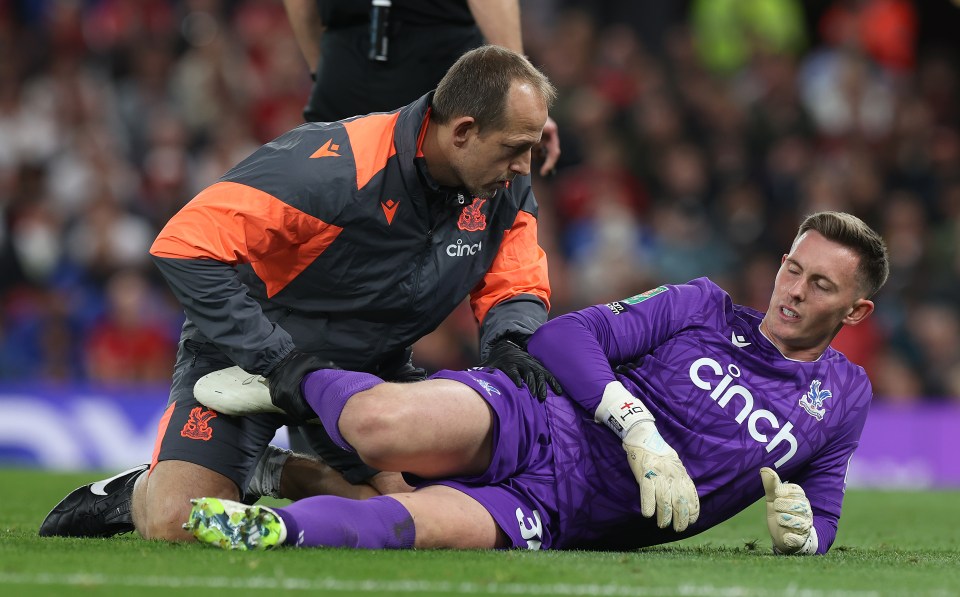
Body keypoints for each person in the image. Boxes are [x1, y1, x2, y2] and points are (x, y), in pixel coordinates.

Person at [38, 45, 561, 541]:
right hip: (244, 361)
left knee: (416, 514)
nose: (523, 167)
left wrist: (513, 340)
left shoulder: (502, 186)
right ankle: (135, 491)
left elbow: (514, 282)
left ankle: (277, 472)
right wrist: (277, 359)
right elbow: (184, 243)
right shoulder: (333, 167)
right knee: (179, 522)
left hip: (364, 374)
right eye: (515, 150)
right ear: (464, 131)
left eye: (530, 150)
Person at [185, 211, 889, 554]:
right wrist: (635, 424)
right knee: (380, 430)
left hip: (564, 509)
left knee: (407, 522)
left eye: (820, 284)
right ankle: (291, 380)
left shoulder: (842, 399)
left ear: (855, 310)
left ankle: (268, 519)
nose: (792, 289)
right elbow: (561, 337)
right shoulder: (702, 305)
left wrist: (804, 537)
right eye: (793, 266)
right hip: (539, 415)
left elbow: (821, 515)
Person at [283, 0, 560, 176]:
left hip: (345, 57)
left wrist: (326, 68)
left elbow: (301, 7)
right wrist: (521, 95)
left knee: (332, 217)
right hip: (437, 65)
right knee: (459, 226)